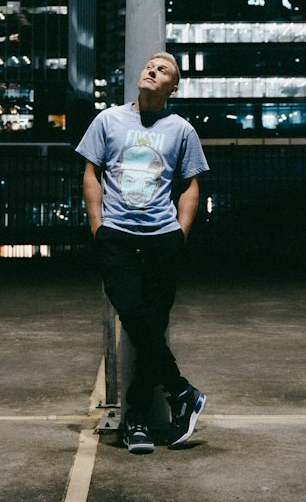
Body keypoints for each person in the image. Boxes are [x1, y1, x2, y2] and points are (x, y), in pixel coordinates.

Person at [76, 51, 209, 454]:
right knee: (135, 316)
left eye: (163, 69)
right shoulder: (108, 120)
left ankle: (135, 421)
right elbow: (91, 175)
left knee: (149, 325)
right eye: (150, 65)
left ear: (174, 86)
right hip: (116, 237)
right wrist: (98, 229)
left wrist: (179, 234)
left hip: (162, 238)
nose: (152, 69)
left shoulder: (181, 129)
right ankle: (182, 390)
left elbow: (190, 184)